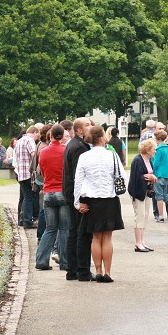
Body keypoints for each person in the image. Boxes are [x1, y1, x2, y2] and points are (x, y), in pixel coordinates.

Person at [73, 125, 126, 283]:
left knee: (96, 237)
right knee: (107, 237)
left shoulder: (85, 157)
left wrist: (77, 203)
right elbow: (121, 175)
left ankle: (98, 271)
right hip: (109, 198)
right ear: (102, 138)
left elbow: (78, 182)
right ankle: (108, 272)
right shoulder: (113, 156)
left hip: (92, 199)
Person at [35, 124, 70, 271]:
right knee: (64, 229)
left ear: (50, 136)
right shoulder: (65, 151)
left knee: (50, 228)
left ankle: (41, 260)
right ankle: (65, 261)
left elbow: (42, 171)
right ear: (62, 136)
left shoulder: (43, 152)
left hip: (48, 192)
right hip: (62, 191)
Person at [62, 117, 93, 281]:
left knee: (74, 232)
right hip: (76, 195)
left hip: (70, 193)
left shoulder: (74, 144)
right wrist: (81, 200)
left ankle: (72, 270)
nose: (91, 127)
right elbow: (78, 176)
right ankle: (81, 270)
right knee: (81, 233)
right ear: (80, 130)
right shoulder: (79, 147)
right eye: (88, 125)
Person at [129, 139, 157, 252]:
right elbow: (137, 177)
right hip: (138, 192)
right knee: (139, 216)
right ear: (148, 150)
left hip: (146, 192)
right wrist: (150, 178)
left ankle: (142, 241)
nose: (155, 151)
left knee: (145, 216)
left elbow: (149, 174)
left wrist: (152, 177)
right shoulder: (138, 160)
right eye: (154, 149)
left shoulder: (149, 160)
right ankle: (138, 243)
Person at [14, 126, 40, 229]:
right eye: (37, 134)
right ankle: (28, 221)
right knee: (30, 197)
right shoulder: (29, 140)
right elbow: (34, 155)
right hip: (29, 173)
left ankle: (25, 220)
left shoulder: (19, 141)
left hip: (21, 173)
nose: (38, 137)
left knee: (26, 197)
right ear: (34, 132)